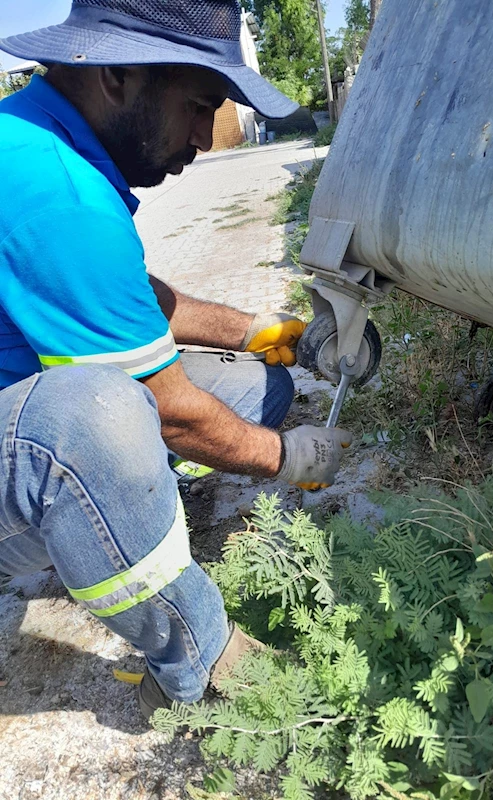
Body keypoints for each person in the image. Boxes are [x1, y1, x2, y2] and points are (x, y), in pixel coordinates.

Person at [0, 0, 352, 720]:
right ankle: (199, 653)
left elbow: (132, 296)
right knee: (99, 419)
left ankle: (107, 523)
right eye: (198, 106)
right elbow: (166, 408)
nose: (205, 136)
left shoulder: (47, 139)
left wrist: (257, 330)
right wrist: (290, 460)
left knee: (259, 390)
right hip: (33, 447)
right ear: (117, 76)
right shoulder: (53, 191)